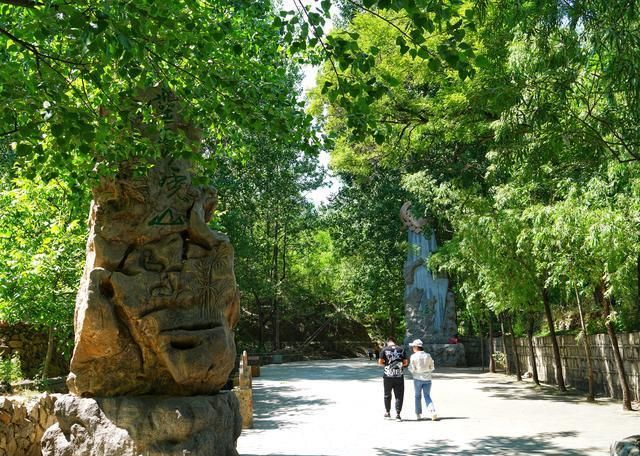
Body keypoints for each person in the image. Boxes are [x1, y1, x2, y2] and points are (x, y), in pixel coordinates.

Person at [378, 336, 408, 421]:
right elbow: (406, 363)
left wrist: (387, 364)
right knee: (399, 395)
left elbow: (380, 362)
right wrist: (399, 364)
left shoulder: (384, 349)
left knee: (387, 394)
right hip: (399, 376)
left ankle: (387, 413)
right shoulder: (401, 349)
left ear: (388, 342)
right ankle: (398, 414)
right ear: (395, 342)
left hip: (388, 376)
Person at [408, 338, 438, 421]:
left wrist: (413, 371)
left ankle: (418, 414)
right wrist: (427, 371)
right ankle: (432, 412)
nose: (412, 348)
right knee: (427, 396)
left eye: (413, 346)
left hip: (417, 378)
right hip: (428, 378)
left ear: (416, 347)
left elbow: (412, 368)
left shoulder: (413, 356)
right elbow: (432, 367)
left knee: (417, 396)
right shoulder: (428, 355)